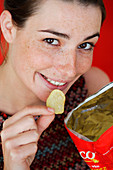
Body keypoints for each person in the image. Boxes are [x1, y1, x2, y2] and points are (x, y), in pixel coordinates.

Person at [0, 0, 110, 169]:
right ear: (9, 27)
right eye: (51, 41)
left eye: (85, 45)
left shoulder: (92, 90)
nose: (70, 70)